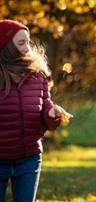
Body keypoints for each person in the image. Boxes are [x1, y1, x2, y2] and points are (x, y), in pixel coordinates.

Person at [0, 19, 72, 202]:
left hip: (29, 158)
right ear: (6, 46)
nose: (27, 47)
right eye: (21, 43)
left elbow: (45, 106)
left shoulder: (37, 75)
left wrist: (52, 113)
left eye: (28, 42)